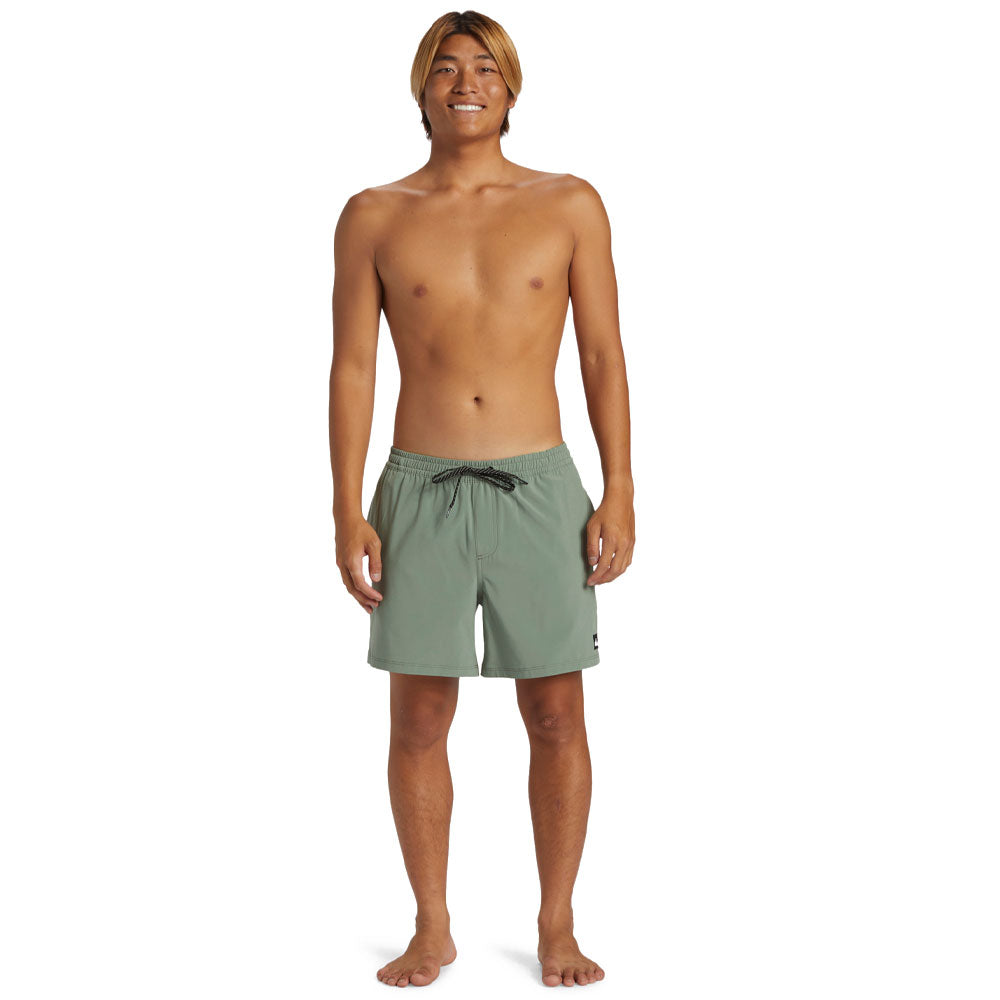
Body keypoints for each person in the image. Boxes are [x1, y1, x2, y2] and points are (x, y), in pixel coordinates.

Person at [329, 10, 633, 989]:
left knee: (556, 713)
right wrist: (345, 505)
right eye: (447, 68)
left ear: (511, 88)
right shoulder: (373, 214)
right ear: (420, 89)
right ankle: (432, 926)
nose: (467, 83)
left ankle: (556, 924)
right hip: (418, 487)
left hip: (539, 485)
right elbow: (351, 368)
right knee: (418, 717)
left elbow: (601, 354)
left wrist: (619, 486)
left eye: (486, 69)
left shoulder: (569, 203)